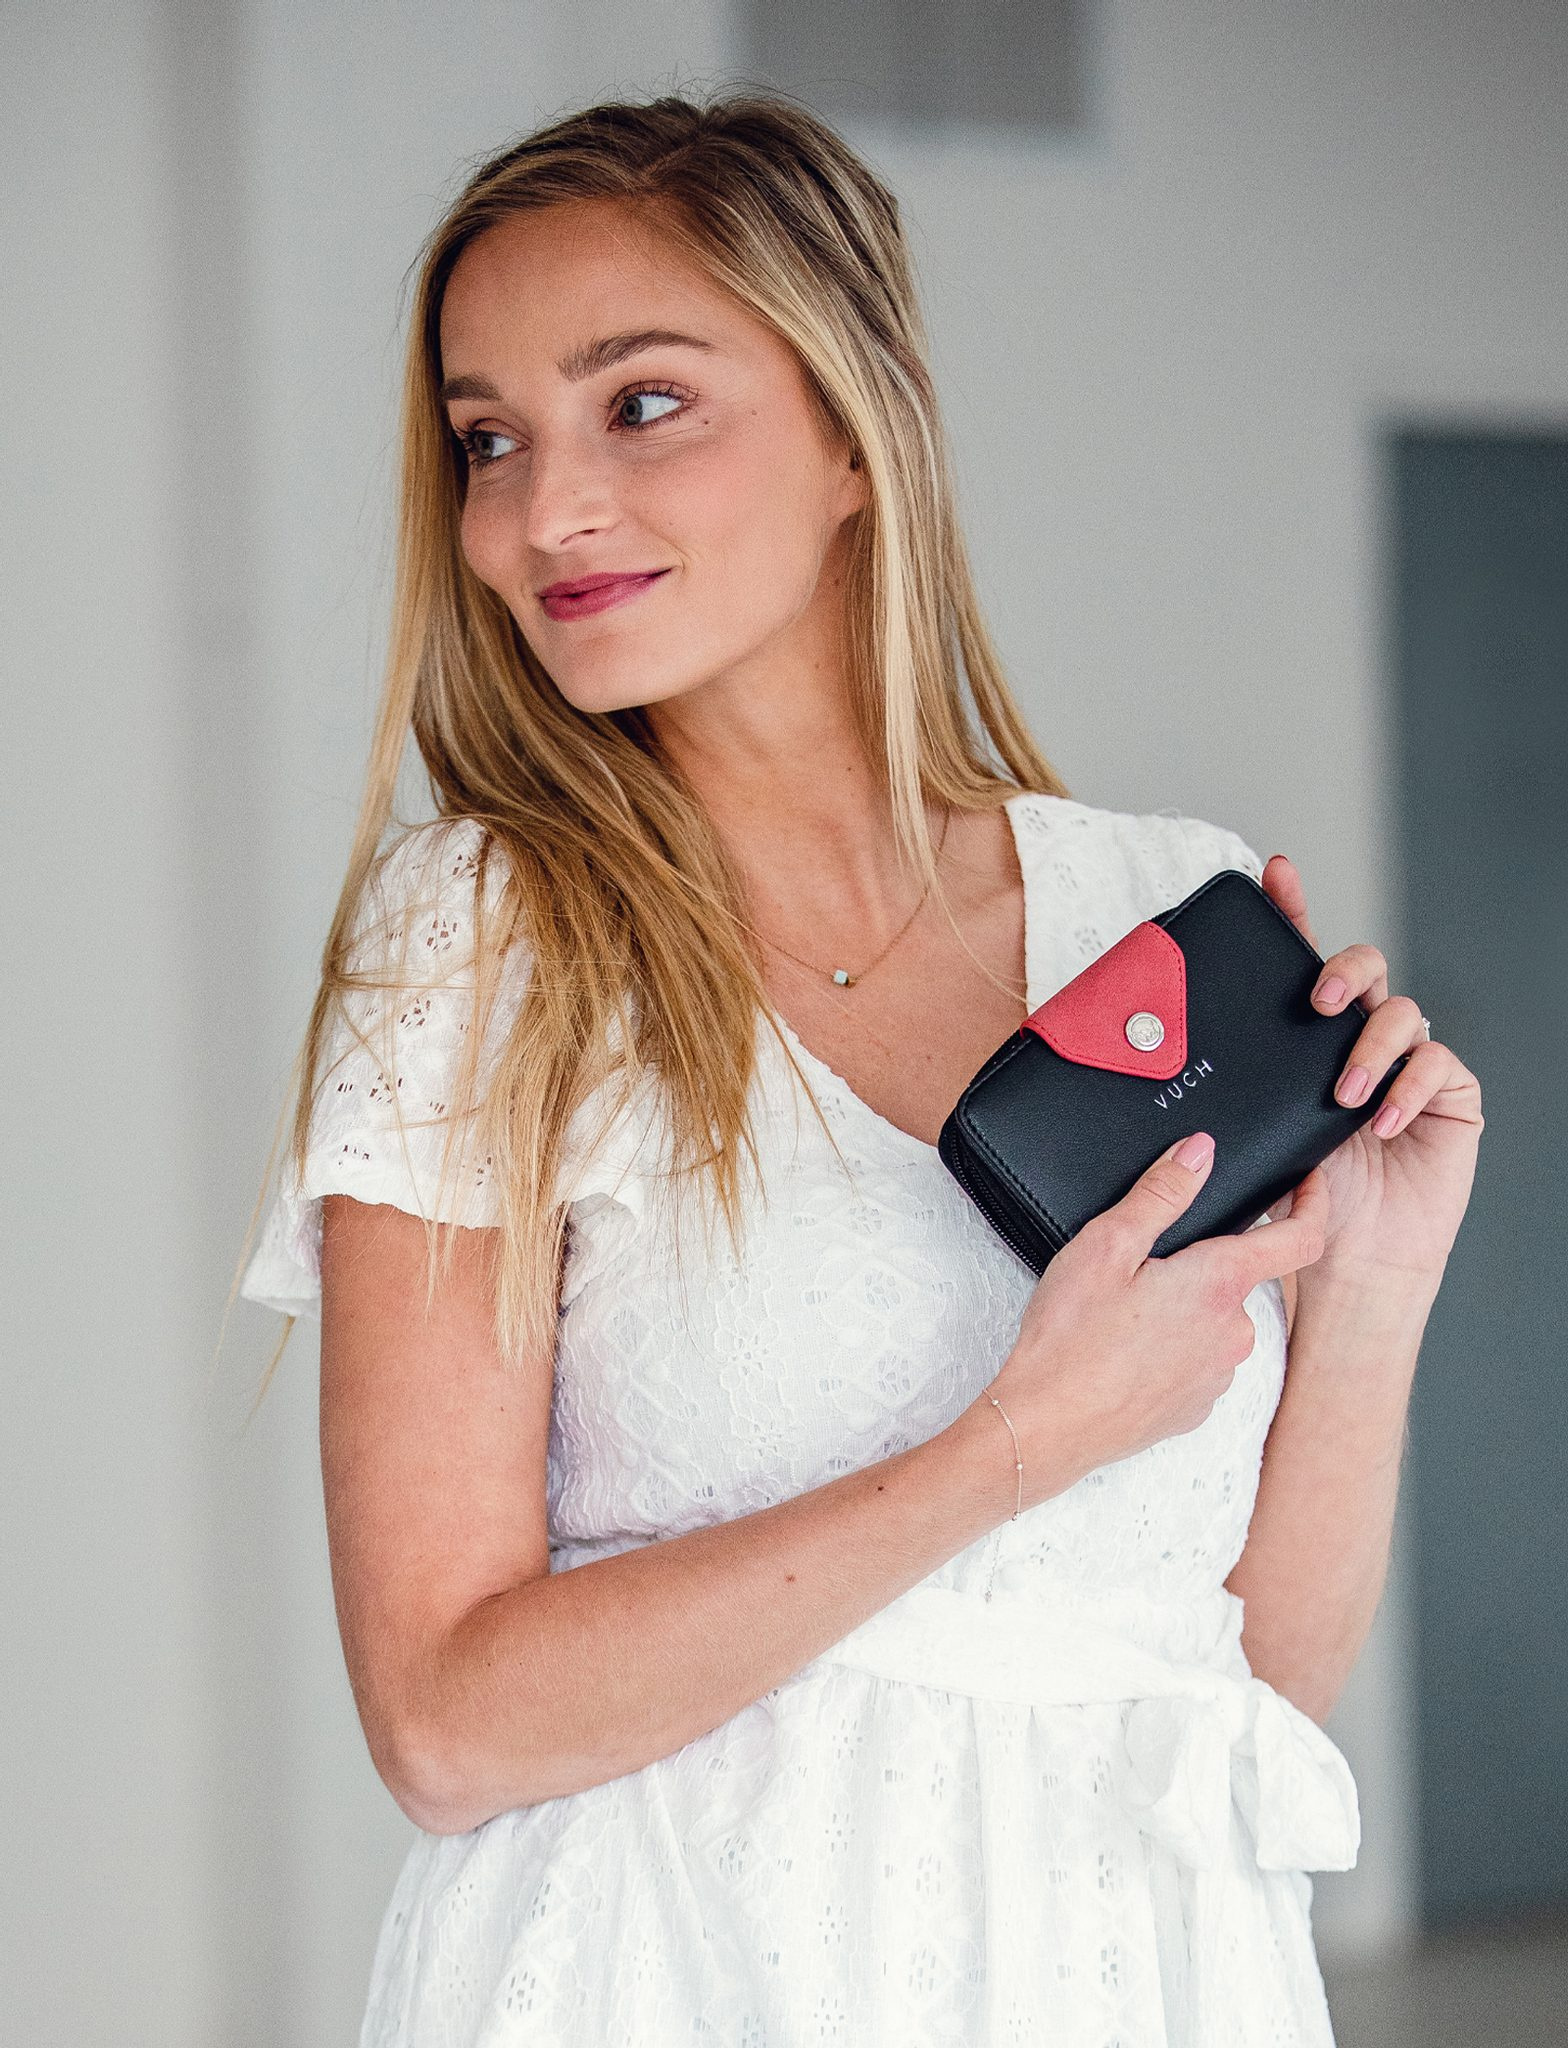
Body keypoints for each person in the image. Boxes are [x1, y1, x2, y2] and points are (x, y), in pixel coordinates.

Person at [237, 89, 1483, 2048]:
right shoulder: (479, 942)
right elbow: (445, 1722)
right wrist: (1007, 1446)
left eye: (641, 403)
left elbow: (1238, 1698)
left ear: (851, 431)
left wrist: (1380, 1279)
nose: (542, 511)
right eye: (490, 439)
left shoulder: (1164, 904)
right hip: (664, 1982)